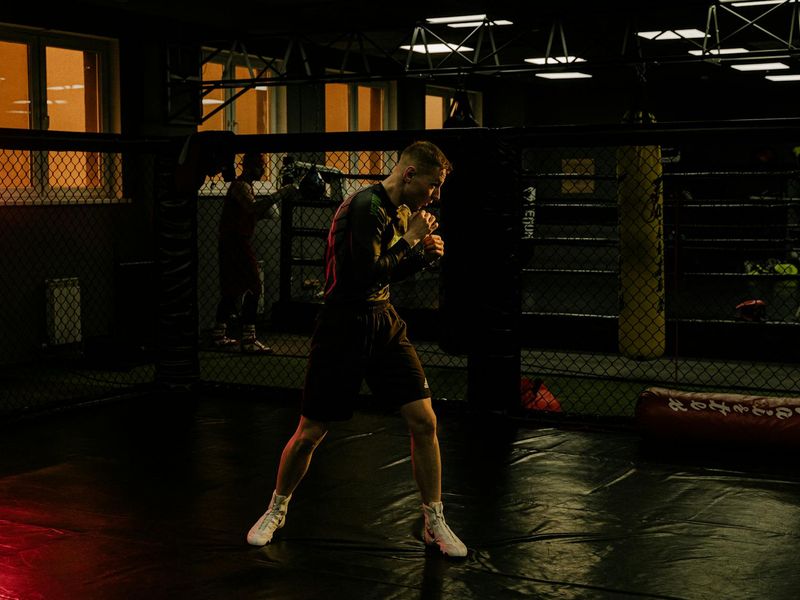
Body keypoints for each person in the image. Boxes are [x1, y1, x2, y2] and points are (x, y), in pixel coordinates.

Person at [246, 141, 467, 557]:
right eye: (433, 185)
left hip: (382, 321)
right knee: (311, 431)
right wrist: (416, 246)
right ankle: (276, 508)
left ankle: (433, 520)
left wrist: (422, 252)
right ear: (409, 175)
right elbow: (364, 274)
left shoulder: (401, 210)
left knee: (424, 420)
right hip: (342, 324)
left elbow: (390, 267)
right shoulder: (367, 206)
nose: (435, 195)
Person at [212, 152, 292, 353]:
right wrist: (280, 193)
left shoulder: (244, 187)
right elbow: (253, 209)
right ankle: (248, 339)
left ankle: (218, 335)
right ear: (250, 167)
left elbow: (250, 212)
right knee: (254, 285)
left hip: (233, 241)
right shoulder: (240, 186)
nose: (264, 170)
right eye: (260, 166)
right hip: (236, 242)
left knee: (232, 288)